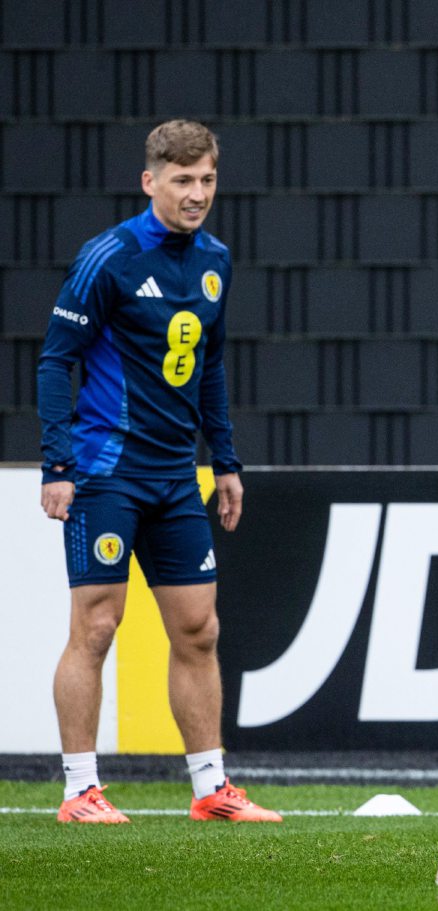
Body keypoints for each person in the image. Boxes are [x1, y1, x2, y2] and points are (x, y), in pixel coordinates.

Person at [38, 119, 279, 824]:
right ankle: (80, 789)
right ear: (151, 182)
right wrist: (58, 462)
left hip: (177, 475)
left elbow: (209, 366)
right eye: (182, 180)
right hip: (106, 470)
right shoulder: (107, 257)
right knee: (97, 625)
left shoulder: (216, 261)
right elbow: (57, 358)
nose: (197, 193)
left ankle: (212, 788)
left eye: (206, 179)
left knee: (199, 629)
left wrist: (225, 461)